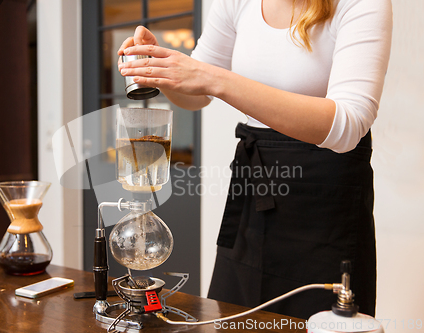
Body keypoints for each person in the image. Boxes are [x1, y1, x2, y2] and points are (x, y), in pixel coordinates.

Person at [117, 0, 392, 319]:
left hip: (326, 197)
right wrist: (163, 72)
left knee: (318, 318)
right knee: (236, 316)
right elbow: (197, 94)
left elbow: (348, 125)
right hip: (254, 190)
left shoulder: (362, 3)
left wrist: (216, 79)